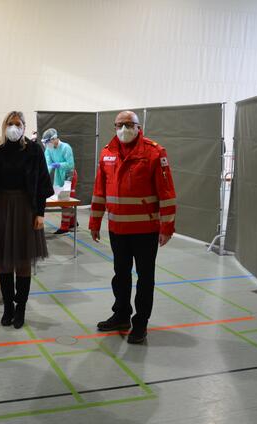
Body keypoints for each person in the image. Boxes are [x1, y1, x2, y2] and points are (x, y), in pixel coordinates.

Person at [89, 111, 176, 344]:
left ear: (139, 126)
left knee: (145, 278)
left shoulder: (154, 152)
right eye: (119, 125)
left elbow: (166, 193)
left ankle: (141, 323)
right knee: (121, 275)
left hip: (145, 230)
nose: (124, 129)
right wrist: (95, 222)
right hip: (117, 229)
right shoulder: (107, 153)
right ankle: (121, 316)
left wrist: (167, 226)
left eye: (129, 124)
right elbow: (100, 191)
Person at [0, 111, 54, 329]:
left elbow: (41, 184)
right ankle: (8, 307)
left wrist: (40, 213)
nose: (14, 127)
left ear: (24, 127)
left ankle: (21, 309)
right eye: (10, 123)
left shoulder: (34, 149)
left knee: (22, 262)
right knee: (3, 262)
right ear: (4, 125)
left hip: (25, 209)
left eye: (18, 124)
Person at [41, 128, 78, 234]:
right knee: (62, 201)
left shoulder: (66, 147)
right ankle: (72, 221)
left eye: (48, 142)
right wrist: (44, 177)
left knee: (66, 201)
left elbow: (70, 165)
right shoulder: (49, 149)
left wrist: (58, 164)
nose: (48, 145)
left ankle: (65, 226)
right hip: (59, 175)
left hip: (69, 175)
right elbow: (47, 165)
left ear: (54, 138)